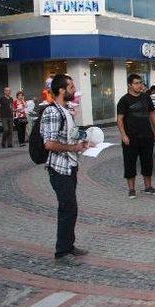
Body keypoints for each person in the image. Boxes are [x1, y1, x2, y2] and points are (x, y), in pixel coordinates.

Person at [41, 74, 91, 266]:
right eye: (70, 86)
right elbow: (49, 144)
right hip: (59, 168)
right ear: (61, 90)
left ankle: (69, 246)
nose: (73, 89)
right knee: (67, 208)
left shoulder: (64, 111)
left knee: (71, 208)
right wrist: (74, 148)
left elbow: (69, 136)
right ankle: (61, 252)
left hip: (70, 166)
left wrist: (84, 140)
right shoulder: (52, 112)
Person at [116, 74, 155, 199]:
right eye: (136, 83)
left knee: (148, 162)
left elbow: (151, 113)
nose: (139, 85)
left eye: (140, 83)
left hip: (147, 136)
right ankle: (131, 189)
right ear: (129, 85)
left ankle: (148, 187)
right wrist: (124, 135)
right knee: (130, 163)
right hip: (131, 138)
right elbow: (119, 120)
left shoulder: (146, 97)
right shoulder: (124, 100)